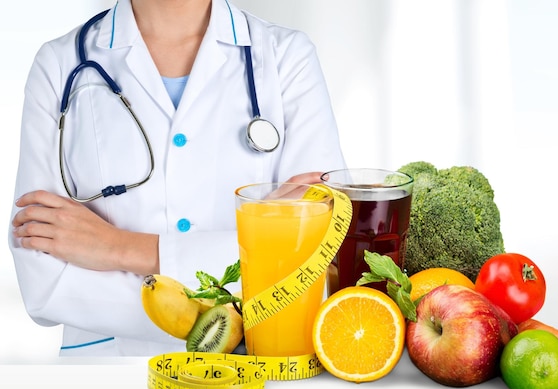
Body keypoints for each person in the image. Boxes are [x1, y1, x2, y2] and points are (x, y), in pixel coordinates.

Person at [8, 0, 346, 356]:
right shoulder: (59, 64)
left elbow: (315, 258)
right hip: (104, 375)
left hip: (254, 370)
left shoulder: (287, 58)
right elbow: (43, 285)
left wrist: (116, 247)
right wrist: (250, 267)